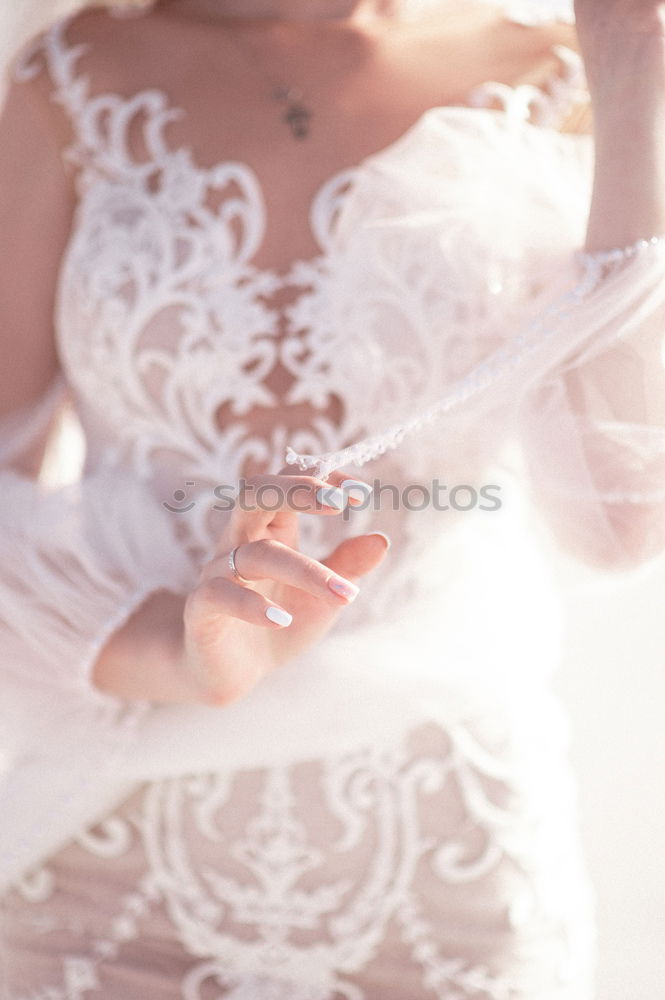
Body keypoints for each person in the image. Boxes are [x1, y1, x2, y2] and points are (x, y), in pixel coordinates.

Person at [0, 0, 664, 996]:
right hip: (105, 858)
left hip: (449, 867)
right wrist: (178, 652)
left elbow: (619, 521)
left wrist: (633, 89)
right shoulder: (75, 74)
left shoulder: (557, 75)